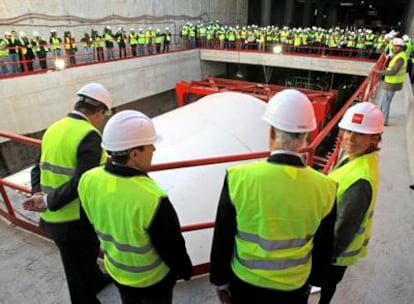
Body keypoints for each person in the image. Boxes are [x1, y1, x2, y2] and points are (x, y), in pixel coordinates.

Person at [210, 89, 337, 304]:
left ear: (271, 133)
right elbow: (324, 245)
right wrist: (313, 281)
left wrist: (220, 281)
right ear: (306, 136)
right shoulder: (326, 187)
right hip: (293, 287)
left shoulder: (238, 178)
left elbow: (223, 235)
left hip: (245, 283)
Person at [77, 110, 193, 304]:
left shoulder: (89, 179)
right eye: (150, 146)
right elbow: (172, 248)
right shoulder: (152, 198)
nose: (154, 150)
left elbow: (86, 226)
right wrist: (186, 271)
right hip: (154, 281)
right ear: (135, 154)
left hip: (117, 272)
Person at [23, 83, 113, 304]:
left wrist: (38, 196)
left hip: (53, 217)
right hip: (74, 219)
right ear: (99, 111)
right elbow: (81, 182)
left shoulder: (54, 127)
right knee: (76, 270)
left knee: (83, 258)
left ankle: (95, 281)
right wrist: (44, 200)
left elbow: (38, 167)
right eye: (104, 115)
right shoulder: (89, 135)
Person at [318, 102, 384, 304]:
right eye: (347, 130)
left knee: (324, 288)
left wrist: (324, 258)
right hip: (334, 249)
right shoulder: (354, 158)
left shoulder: (360, 181)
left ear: (374, 138)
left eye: (359, 134)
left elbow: (344, 228)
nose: (350, 138)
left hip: (334, 255)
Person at [374, 37, 407, 126]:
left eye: (397, 46)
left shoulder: (400, 58)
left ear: (401, 47)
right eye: (394, 46)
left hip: (393, 83)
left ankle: (384, 121)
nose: (395, 48)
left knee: (386, 102)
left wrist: (379, 72)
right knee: (384, 101)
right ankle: (381, 118)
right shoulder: (398, 55)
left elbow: (393, 71)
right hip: (391, 82)